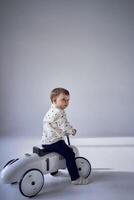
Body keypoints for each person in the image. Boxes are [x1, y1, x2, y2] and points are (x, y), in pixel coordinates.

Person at [41, 87, 89, 185]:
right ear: (54, 100)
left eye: (68, 100)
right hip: (54, 142)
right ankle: (75, 178)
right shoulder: (59, 112)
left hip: (46, 142)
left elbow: (54, 125)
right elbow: (65, 126)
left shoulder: (51, 110)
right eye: (63, 99)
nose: (66, 102)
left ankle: (53, 170)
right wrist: (72, 131)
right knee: (70, 154)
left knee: (61, 147)